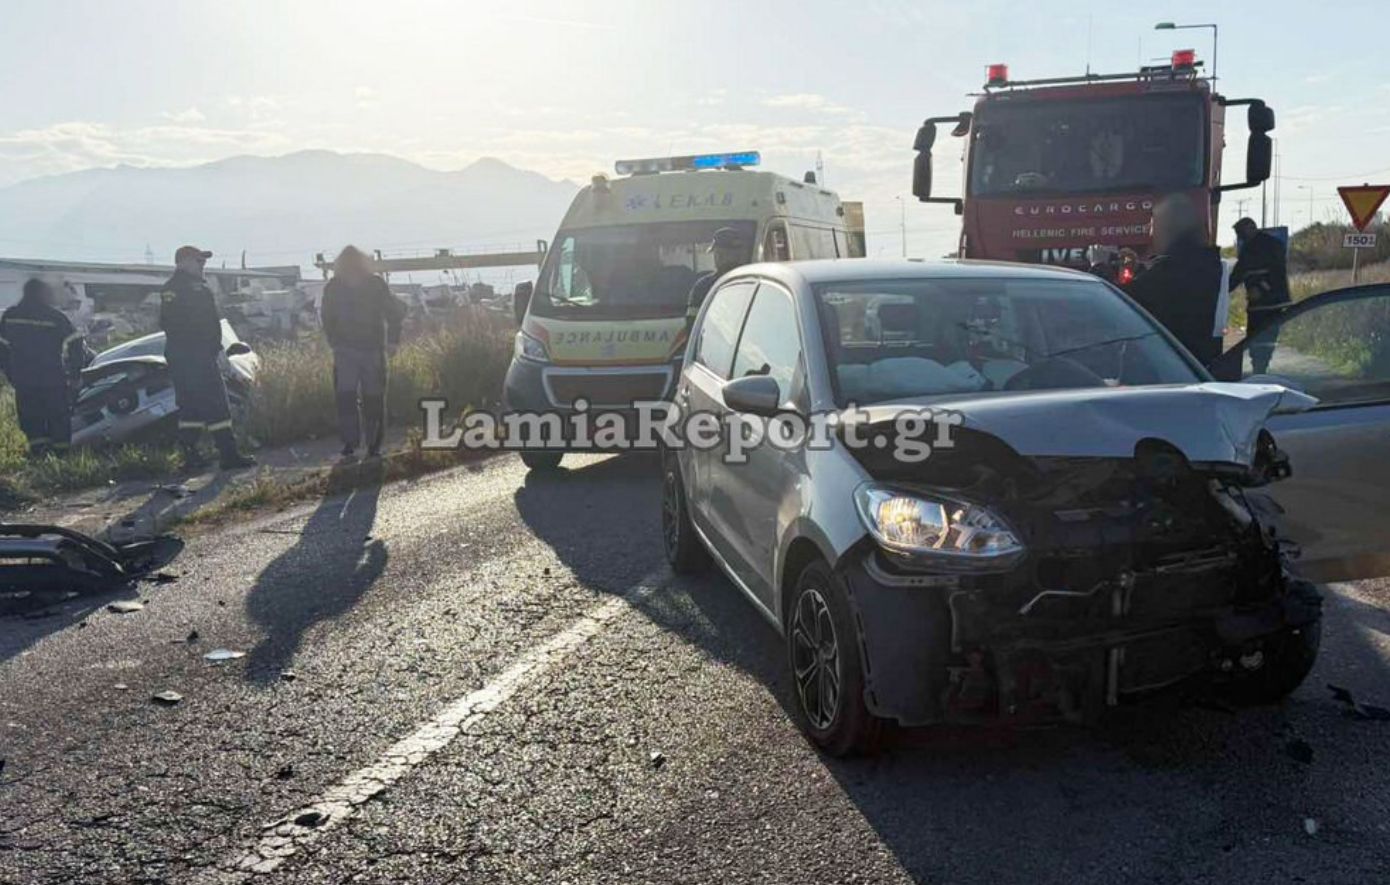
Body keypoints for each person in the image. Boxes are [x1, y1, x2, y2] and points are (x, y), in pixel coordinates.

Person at [159, 245, 255, 470]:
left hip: (190, 354)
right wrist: (203, 347)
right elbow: (172, 323)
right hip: (194, 355)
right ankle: (228, 455)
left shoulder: (193, 287)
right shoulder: (177, 288)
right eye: (198, 261)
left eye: (203, 262)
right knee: (216, 404)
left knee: (190, 408)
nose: (202, 266)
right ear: (183, 262)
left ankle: (191, 456)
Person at [320, 245, 405, 459]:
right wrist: (393, 341)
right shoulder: (374, 284)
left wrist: (334, 342)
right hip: (369, 349)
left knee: (347, 398)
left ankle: (352, 444)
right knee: (373, 399)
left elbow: (326, 318)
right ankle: (372, 446)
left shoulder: (334, 286)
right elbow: (394, 313)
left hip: (351, 350)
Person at [1126, 194, 1225, 366]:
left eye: (1153, 226)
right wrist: (1139, 269)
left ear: (1169, 229)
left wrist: (1099, 272)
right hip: (1196, 360)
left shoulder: (1174, 269)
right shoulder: (1206, 264)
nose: (1150, 233)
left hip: (1170, 364)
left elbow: (1128, 300)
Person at [0, 278, 88, 456]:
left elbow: (2, 349)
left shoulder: (11, 316)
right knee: (58, 418)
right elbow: (76, 342)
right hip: (52, 378)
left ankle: (39, 454)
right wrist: (74, 373)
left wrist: (10, 373)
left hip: (24, 380)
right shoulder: (54, 316)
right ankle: (61, 456)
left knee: (31, 419)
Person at [1230, 217, 1291, 375]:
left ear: (1250, 228)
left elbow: (1277, 272)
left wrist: (1261, 288)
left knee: (1265, 336)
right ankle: (1258, 367)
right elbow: (1238, 273)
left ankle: (1260, 367)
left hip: (1272, 302)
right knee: (1255, 336)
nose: (1240, 238)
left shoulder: (1271, 246)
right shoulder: (1248, 248)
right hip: (1257, 305)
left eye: (1240, 233)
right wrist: (1222, 289)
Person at [687, 227, 749, 316]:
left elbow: (692, 323)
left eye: (721, 253)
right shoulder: (752, 282)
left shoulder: (704, 287)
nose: (717, 257)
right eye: (717, 253)